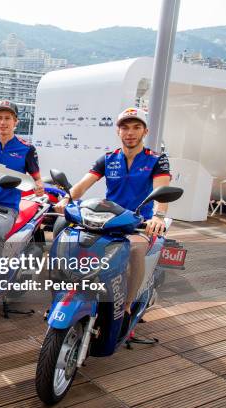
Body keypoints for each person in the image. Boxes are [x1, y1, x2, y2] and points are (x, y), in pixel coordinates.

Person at [54, 107, 171, 314]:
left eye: (136, 127)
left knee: (134, 251)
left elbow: (162, 190)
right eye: (125, 128)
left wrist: (158, 216)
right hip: (109, 221)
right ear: (118, 132)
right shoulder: (107, 159)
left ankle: (127, 305)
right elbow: (82, 185)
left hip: (139, 223)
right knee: (67, 240)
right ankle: (62, 296)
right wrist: (66, 198)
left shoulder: (156, 159)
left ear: (145, 131)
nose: (130, 132)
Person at [0, 100, 45, 306]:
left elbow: (37, 178)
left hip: (7, 208)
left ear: (16, 122)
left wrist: (39, 186)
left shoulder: (26, 149)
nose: (3, 122)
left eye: (7, 118)